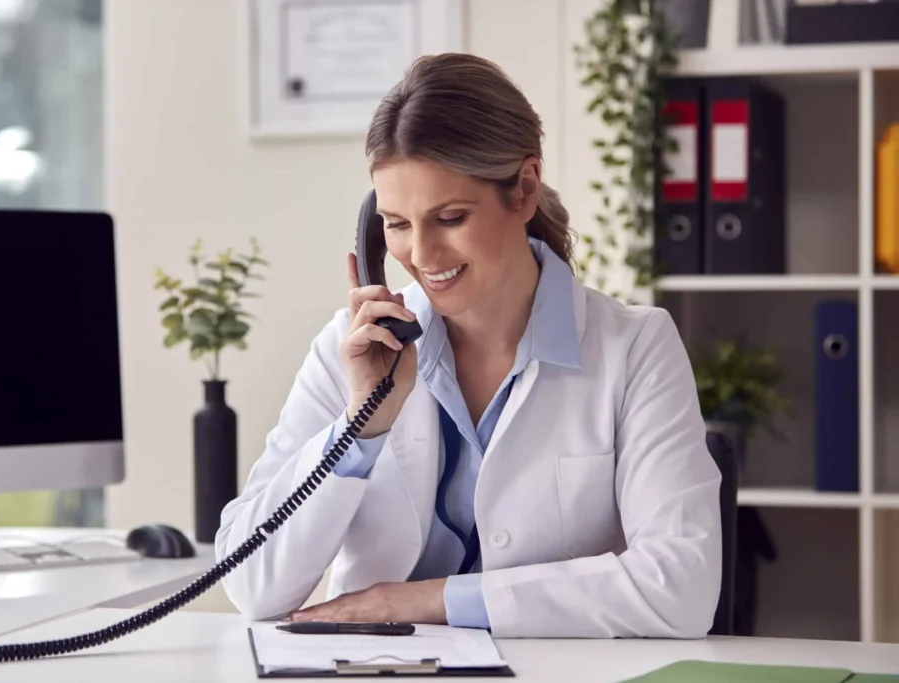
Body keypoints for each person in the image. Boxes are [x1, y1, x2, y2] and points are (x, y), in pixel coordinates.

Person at [215, 53, 722, 639]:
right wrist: (361, 425)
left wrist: (425, 600)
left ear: (524, 189)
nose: (423, 256)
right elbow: (252, 587)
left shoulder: (635, 348)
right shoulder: (351, 351)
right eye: (398, 225)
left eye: (450, 217)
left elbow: (681, 587)